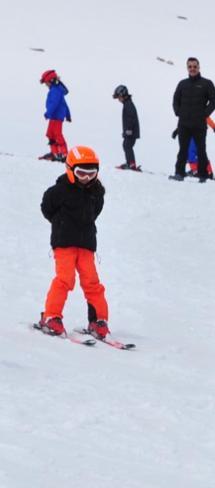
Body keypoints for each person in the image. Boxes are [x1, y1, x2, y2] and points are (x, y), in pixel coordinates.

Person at [37, 146, 111, 339]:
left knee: (92, 282)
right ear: (70, 170)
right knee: (65, 279)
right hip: (64, 243)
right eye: (81, 173)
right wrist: (61, 223)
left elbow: (95, 211)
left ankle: (99, 321)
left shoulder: (96, 192)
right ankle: (52, 316)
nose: (86, 178)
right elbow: (47, 208)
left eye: (91, 174)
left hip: (86, 244)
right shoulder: (58, 191)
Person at [170, 57, 215, 182]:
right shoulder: (182, 84)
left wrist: (205, 113)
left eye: (194, 66)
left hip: (199, 124)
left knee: (201, 150)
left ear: (199, 67)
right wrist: (178, 112)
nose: (192, 69)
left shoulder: (206, 83)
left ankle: (203, 175)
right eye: (190, 66)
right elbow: (175, 100)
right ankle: (179, 173)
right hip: (184, 123)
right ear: (187, 68)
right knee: (183, 150)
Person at [39, 70, 71, 162]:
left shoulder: (55, 91)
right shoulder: (57, 90)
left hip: (56, 117)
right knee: (50, 134)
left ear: (51, 81)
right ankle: (55, 153)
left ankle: (64, 154)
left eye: (46, 83)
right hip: (54, 117)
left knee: (57, 135)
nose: (46, 85)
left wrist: (48, 113)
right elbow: (64, 104)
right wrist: (68, 115)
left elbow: (54, 103)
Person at [112, 85, 141, 170]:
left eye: (119, 97)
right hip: (130, 131)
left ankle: (131, 164)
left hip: (131, 131)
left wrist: (128, 130)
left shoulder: (129, 105)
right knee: (126, 145)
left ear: (123, 95)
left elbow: (131, 118)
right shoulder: (127, 104)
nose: (118, 99)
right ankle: (129, 163)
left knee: (127, 146)